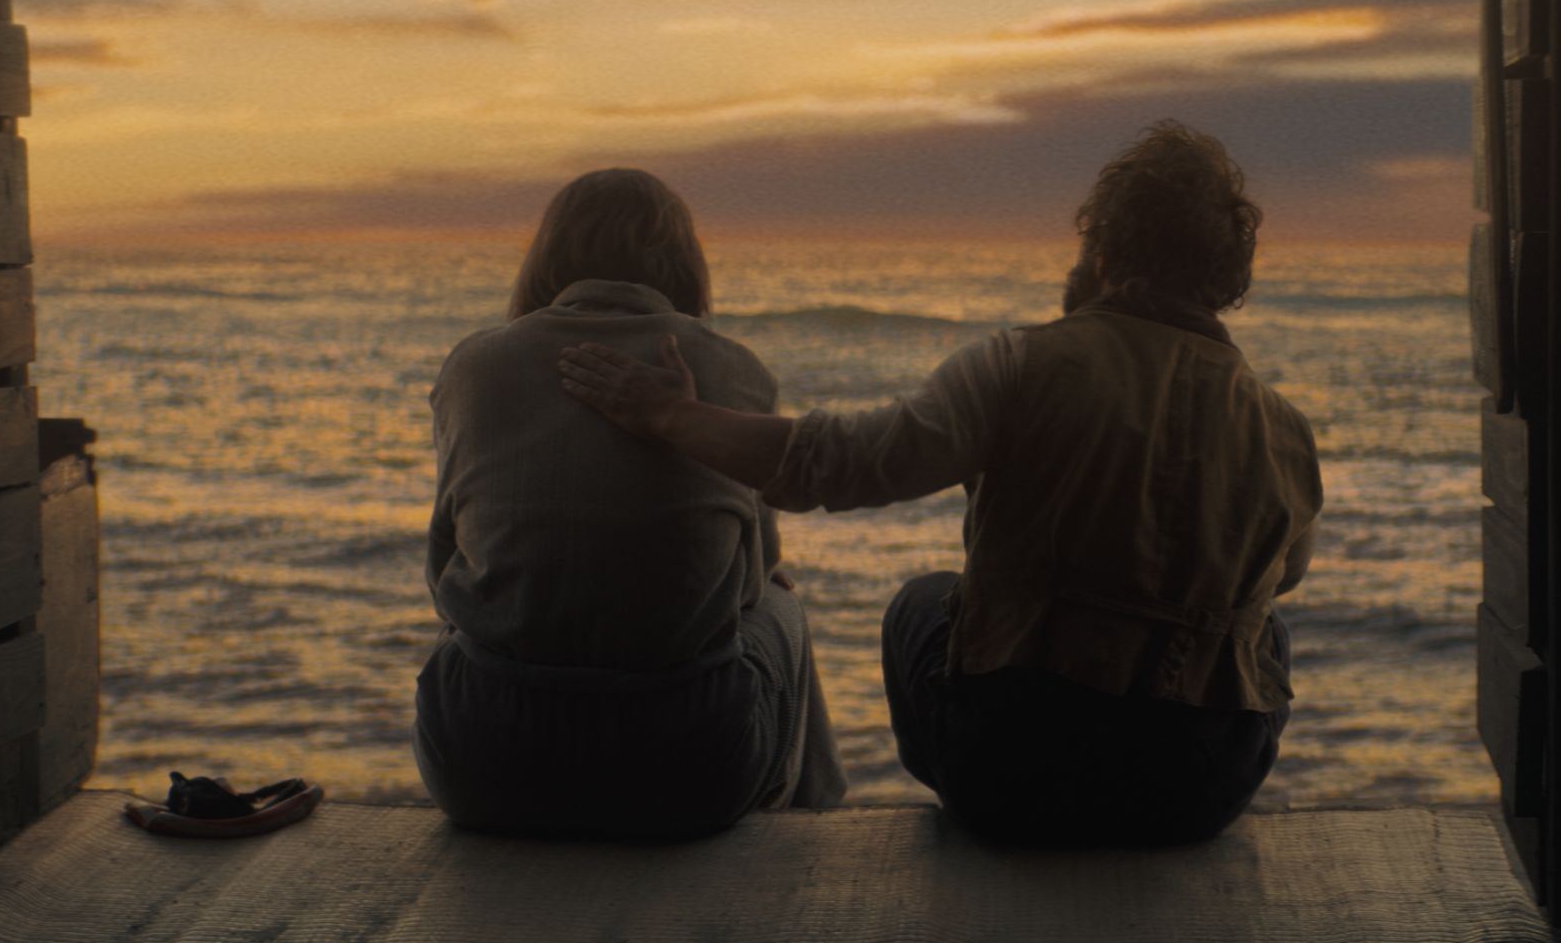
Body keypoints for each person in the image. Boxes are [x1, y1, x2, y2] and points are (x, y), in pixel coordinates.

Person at [558, 122, 1318, 846]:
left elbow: (841, 463)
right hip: (1197, 795)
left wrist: (671, 415)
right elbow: (1282, 577)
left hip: (1014, 781)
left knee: (922, 601)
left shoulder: (1019, 365)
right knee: (1262, 632)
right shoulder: (1286, 431)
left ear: (1105, 249)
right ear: (1224, 280)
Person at [419, 167, 846, 838]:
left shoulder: (474, 366)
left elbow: (442, 569)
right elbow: (749, 581)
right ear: (682, 260)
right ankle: (813, 825)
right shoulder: (733, 367)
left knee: (467, 618)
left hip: (481, 771)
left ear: (547, 256)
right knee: (781, 601)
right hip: (688, 776)